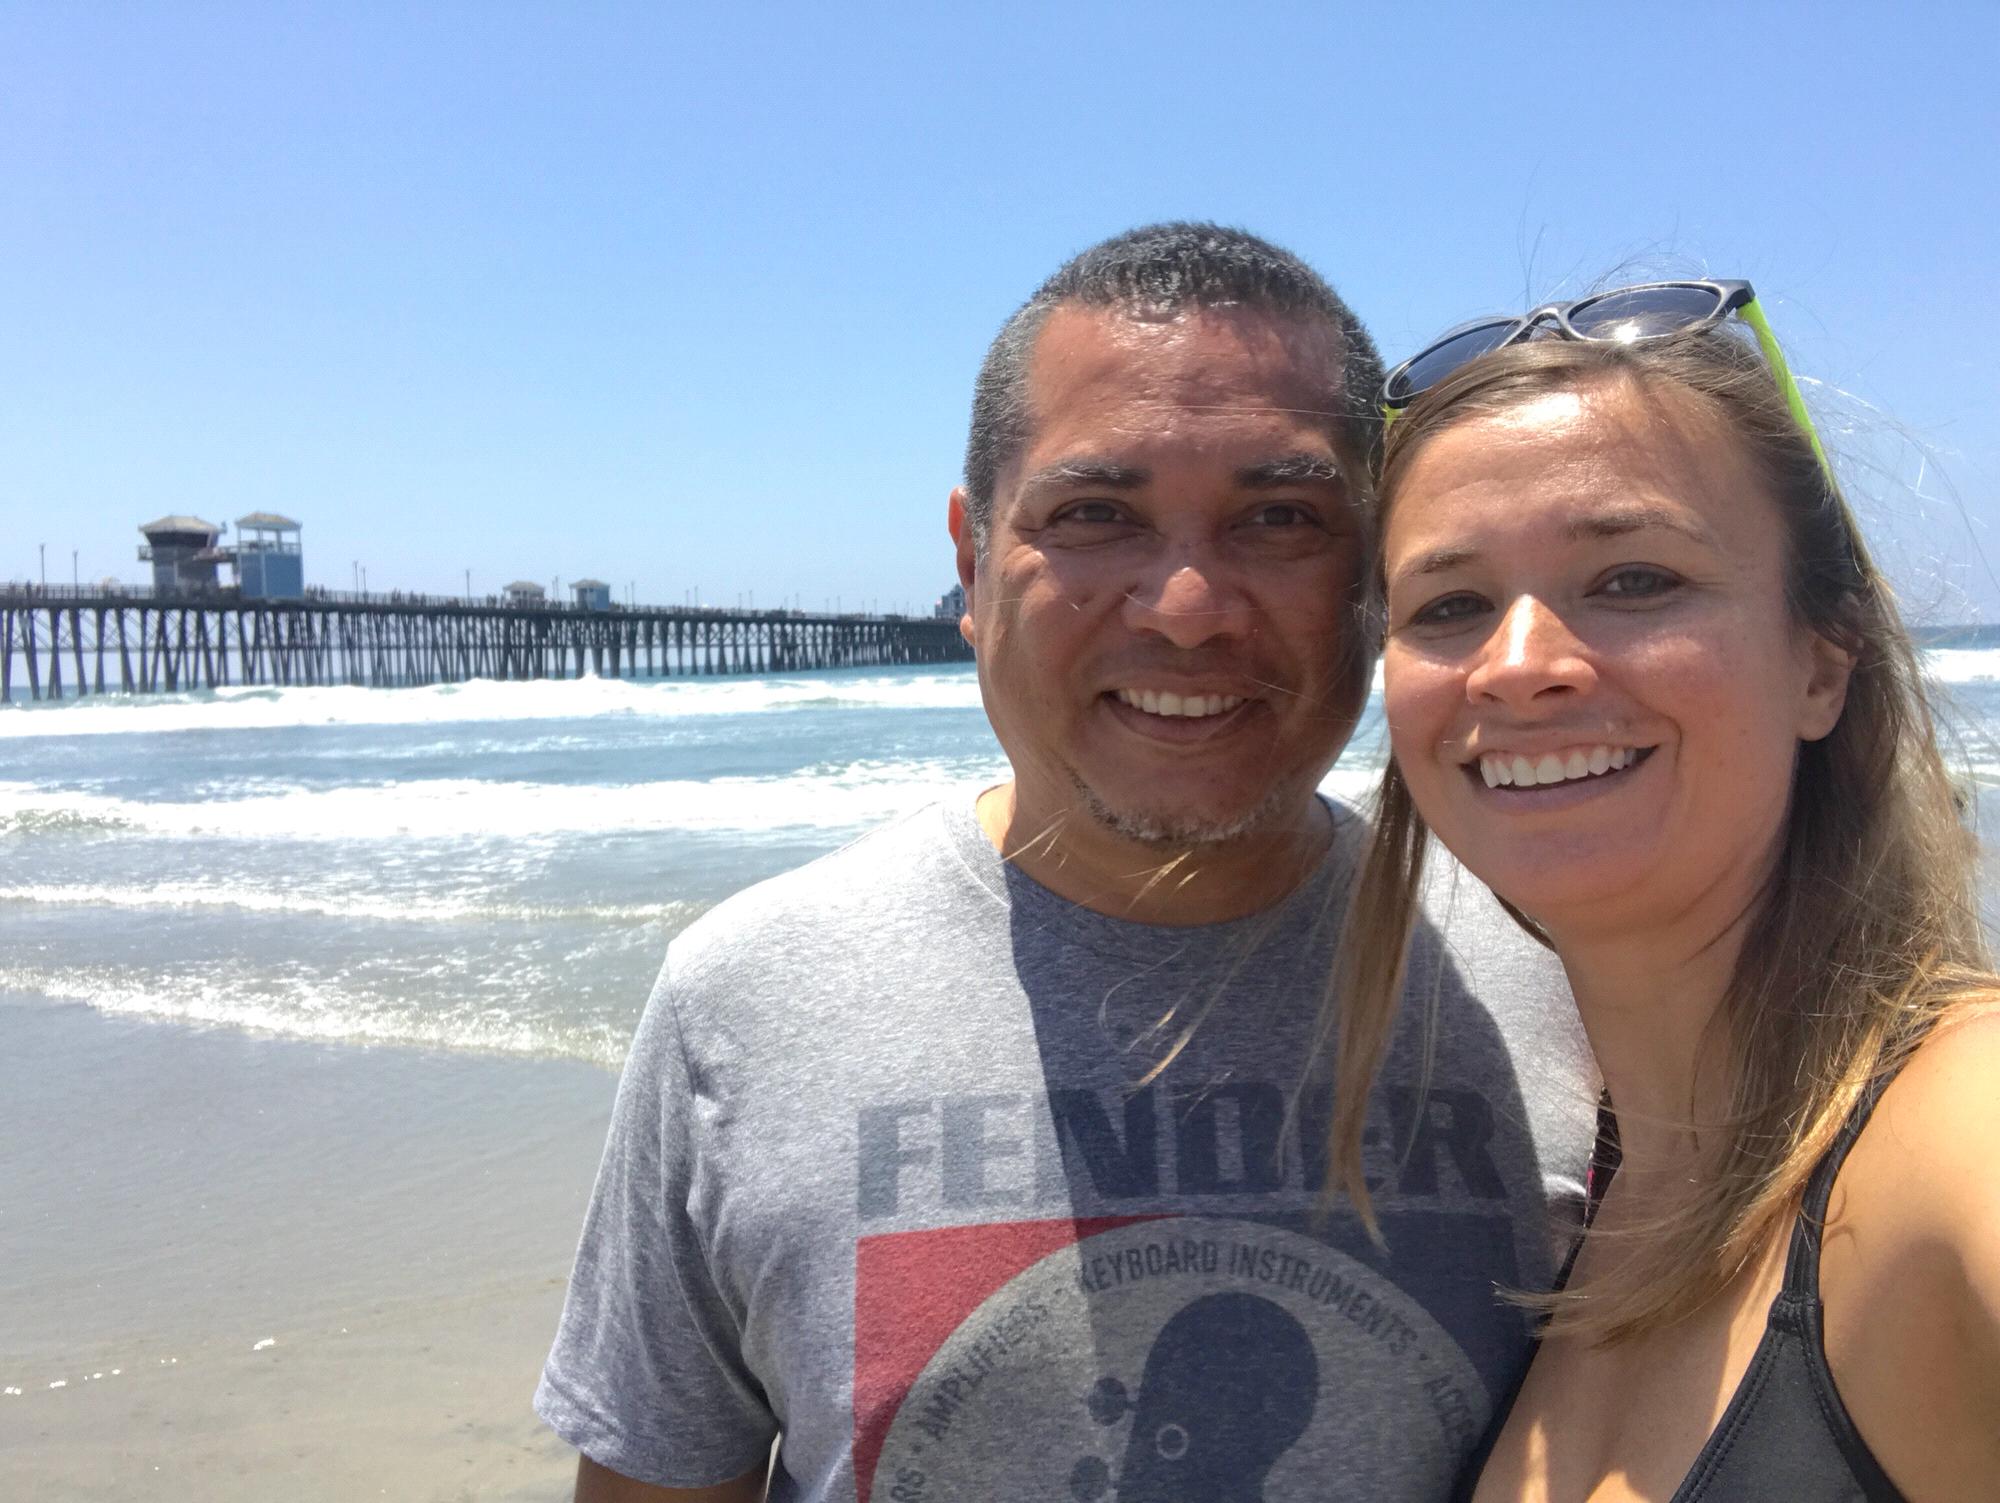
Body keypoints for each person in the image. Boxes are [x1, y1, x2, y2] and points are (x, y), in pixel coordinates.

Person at [534, 223, 1598, 1503]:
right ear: (971, 559)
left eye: (1280, 518)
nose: (1186, 608)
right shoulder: (747, 994)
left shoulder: (1568, 967)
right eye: (1094, 515)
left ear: (1373, 569)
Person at [1338, 279, 2000, 1500]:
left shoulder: (1955, 1122)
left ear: (1820, 665)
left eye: (1633, 580)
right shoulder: (1587, 1195)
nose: (1517, 665)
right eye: (1449, 605)